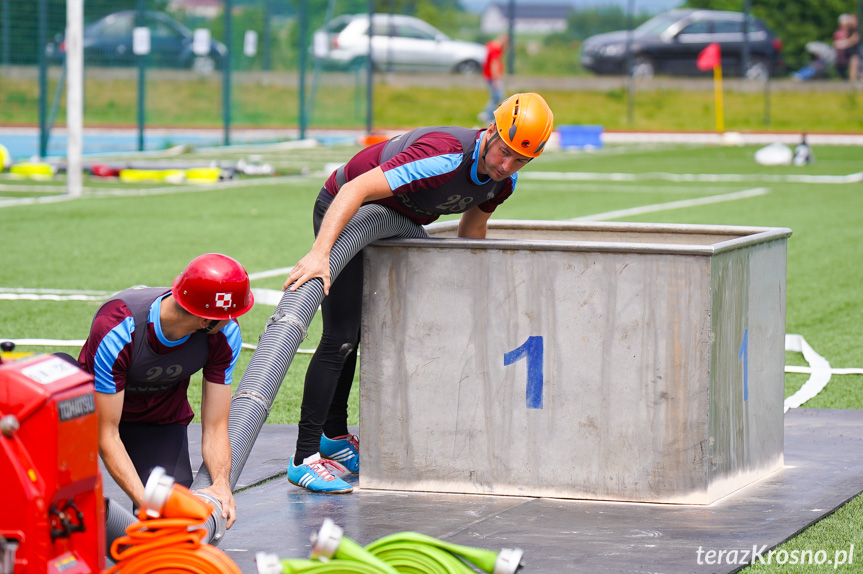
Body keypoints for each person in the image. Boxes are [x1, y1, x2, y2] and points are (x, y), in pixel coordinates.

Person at [282, 93, 554, 493]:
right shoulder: (444, 155)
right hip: (349, 209)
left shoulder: (502, 183)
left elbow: (471, 232)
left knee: (358, 336)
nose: (506, 166)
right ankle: (303, 458)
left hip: (395, 221)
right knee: (340, 336)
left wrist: (475, 292)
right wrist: (320, 254)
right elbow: (354, 190)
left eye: (520, 161)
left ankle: (334, 438)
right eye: (504, 152)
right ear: (492, 130)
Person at [78, 253, 254, 528]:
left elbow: (216, 425)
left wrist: (221, 485)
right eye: (227, 316)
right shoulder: (118, 327)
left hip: (157, 422)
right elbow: (107, 434)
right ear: (205, 321)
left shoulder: (224, 333)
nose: (232, 321)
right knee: (61, 505)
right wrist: (148, 502)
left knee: (174, 521)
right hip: (89, 417)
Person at [478, 34, 509, 124]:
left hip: (488, 75)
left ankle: (487, 115)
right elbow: (494, 64)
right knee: (499, 97)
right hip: (493, 77)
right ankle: (488, 115)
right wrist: (496, 78)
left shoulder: (490, 45)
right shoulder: (496, 48)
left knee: (495, 97)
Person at [834, 13, 860, 84]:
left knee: (854, 73)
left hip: (854, 54)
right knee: (850, 73)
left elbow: (854, 40)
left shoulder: (856, 30)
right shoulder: (849, 31)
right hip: (846, 55)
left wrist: (842, 43)